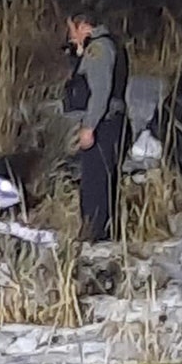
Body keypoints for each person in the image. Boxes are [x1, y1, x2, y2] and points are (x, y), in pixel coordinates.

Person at [62, 12, 131, 243]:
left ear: (83, 26)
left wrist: (89, 126)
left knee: (95, 184)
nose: (70, 35)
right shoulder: (105, 46)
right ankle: (103, 235)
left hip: (104, 125)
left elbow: (100, 91)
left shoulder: (99, 50)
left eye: (72, 29)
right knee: (102, 182)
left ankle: (95, 236)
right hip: (110, 123)